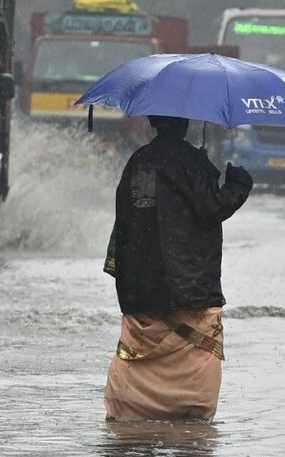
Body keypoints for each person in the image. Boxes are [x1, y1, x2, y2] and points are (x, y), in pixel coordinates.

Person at [103, 115, 253, 422]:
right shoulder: (191, 162)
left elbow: (125, 219)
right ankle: (189, 416)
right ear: (186, 125)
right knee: (194, 386)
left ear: (152, 123)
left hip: (141, 285)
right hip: (191, 289)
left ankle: (133, 409)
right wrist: (238, 184)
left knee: (135, 370)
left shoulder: (138, 161)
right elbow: (211, 208)